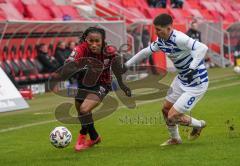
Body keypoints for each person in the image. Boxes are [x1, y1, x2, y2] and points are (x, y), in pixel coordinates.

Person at [124, 14, 208, 145]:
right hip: (182, 79)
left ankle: (199, 125)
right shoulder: (161, 41)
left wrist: (192, 68)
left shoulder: (180, 38)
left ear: (169, 28)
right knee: (165, 110)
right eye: (155, 29)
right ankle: (175, 138)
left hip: (197, 82)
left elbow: (202, 48)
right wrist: (126, 65)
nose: (156, 32)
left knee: (173, 115)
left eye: (159, 29)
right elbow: (145, 52)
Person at [65, 27, 131, 151]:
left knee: (84, 109)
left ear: (103, 41)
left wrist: (122, 85)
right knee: (81, 113)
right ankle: (94, 137)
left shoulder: (109, 51)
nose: (94, 44)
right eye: (91, 41)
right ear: (86, 40)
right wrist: (70, 64)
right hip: (83, 84)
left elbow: (116, 68)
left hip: (102, 84)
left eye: (97, 41)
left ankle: (82, 136)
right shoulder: (80, 49)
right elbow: (71, 60)